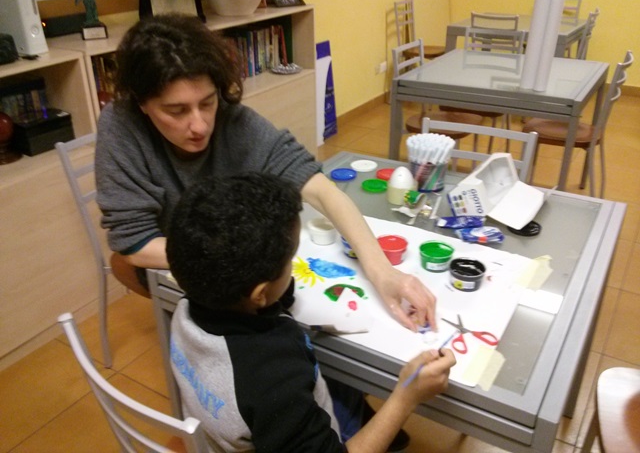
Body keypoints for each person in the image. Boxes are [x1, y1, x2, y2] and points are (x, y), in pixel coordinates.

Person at [95, 13, 435, 330]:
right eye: (176, 111)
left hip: (230, 258)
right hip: (182, 263)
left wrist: (382, 272)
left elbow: (321, 190)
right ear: (142, 104)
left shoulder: (233, 120)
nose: (199, 125)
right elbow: (134, 243)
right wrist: (244, 263)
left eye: (207, 103)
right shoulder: (121, 126)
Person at [166, 172, 456, 452]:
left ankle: (356, 414)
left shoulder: (190, 301)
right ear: (260, 294)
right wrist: (406, 396)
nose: (293, 266)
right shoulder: (274, 383)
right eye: (290, 260)